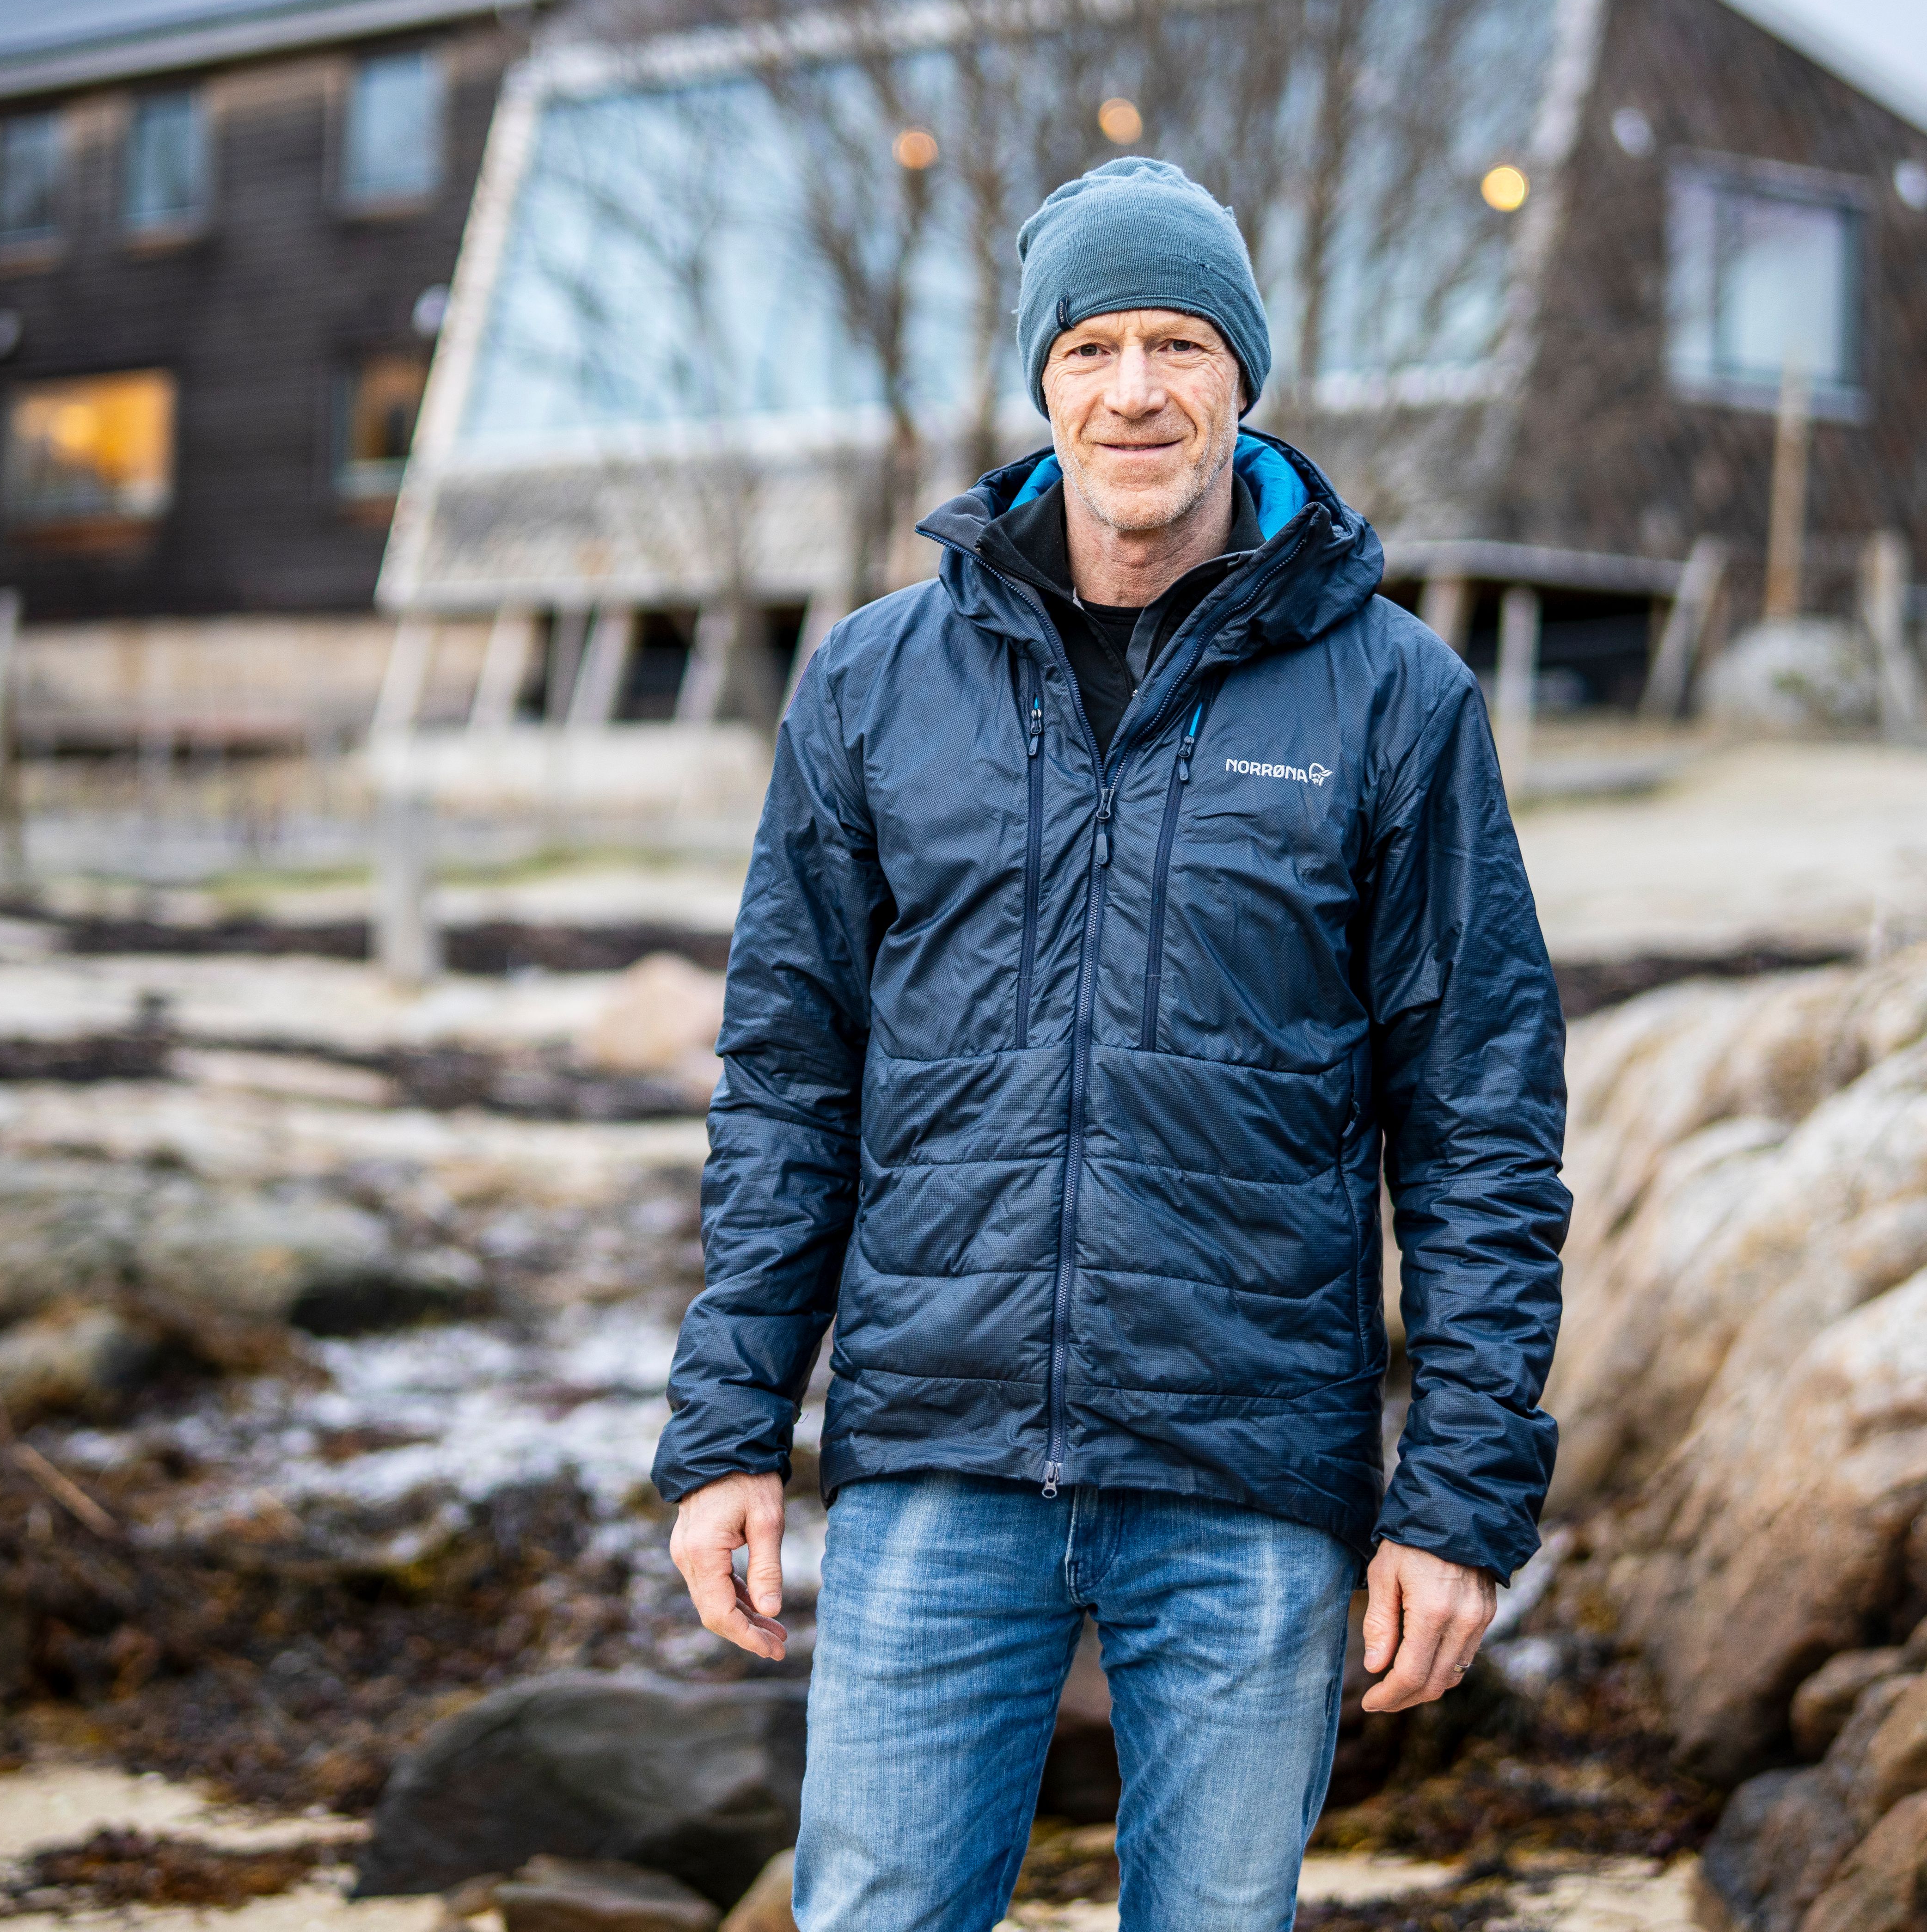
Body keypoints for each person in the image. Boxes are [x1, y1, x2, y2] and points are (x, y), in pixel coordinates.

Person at [651, 154, 1568, 1932]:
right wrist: (727, 1434)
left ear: (1244, 374)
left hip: (1250, 1485)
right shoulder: (869, 683)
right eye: (1090, 346)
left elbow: (1480, 1124)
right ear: (1041, 379)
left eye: (1177, 343)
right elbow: (786, 1088)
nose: (1134, 390)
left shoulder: (1395, 699)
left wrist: (1458, 1502)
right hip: (937, 1459)